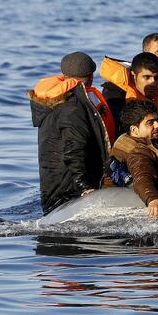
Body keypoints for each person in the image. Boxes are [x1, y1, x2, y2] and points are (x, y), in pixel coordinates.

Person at [29, 51, 112, 214]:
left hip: (53, 188)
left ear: (64, 75)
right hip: (70, 192)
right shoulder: (73, 107)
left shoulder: (55, 101)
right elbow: (74, 148)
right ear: (90, 76)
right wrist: (84, 186)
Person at [100, 51, 158, 129]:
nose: (153, 83)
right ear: (134, 75)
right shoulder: (114, 95)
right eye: (147, 77)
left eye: (156, 77)